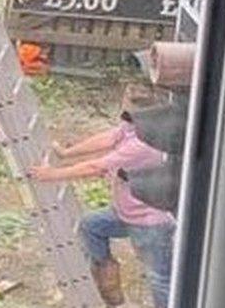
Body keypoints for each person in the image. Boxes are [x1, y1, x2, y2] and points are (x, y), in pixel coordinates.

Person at [29, 85, 174, 308]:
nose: (122, 111)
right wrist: (68, 153)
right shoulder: (133, 126)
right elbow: (109, 137)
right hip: (126, 214)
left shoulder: (143, 144)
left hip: (150, 223)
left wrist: (53, 175)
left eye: (127, 107)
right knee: (91, 226)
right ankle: (109, 283)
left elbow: (96, 167)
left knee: (159, 279)